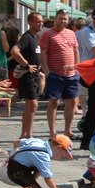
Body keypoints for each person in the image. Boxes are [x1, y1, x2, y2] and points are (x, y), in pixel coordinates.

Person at [38, 10, 82, 140]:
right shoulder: (47, 34)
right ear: (55, 18)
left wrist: (77, 67)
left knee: (72, 102)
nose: (63, 21)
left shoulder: (71, 33)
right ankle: (52, 133)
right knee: (54, 103)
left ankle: (68, 131)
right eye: (60, 18)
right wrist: (47, 72)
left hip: (71, 74)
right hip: (55, 74)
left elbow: (75, 51)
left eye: (65, 19)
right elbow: (43, 54)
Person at [1, 135, 71, 188]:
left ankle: (32, 184)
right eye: (62, 155)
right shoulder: (44, 156)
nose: (60, 158)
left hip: (12, 166)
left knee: (39, 167)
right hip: (18, 172)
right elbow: (47, 177)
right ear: (58, 148)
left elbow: (16, 142)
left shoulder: (37, 141)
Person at [10, 12, 44, 141]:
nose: (40, 24)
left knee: (31, 106)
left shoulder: (35, 38)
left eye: (41, 21)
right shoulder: (27, 37)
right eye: (37, 21)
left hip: (34, 75)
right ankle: (27, 135)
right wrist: (26, 65)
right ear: (30, 22)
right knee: (32, 104)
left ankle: (26, 134)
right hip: (28, 76)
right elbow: (14, 51)